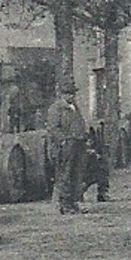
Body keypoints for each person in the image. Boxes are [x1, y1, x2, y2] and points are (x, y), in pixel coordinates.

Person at [45, 78, 88, 215]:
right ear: (61, 95)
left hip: (78, 143)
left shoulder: (74, 107)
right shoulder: (56, 109)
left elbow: (79, 123)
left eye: (72, 93)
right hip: (65, 146)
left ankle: (74, 203)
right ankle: (65, 204)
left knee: (77, 174)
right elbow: (53, 128)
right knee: (65, 175)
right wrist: (63, 141)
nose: (71, 96)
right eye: (68, 94)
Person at [79, 122, 110, 204]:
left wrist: (96, 153)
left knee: (102, 170)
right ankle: (79, 193)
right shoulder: (78, 132)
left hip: (93, 161)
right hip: (81, 160)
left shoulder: (94, 133)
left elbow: (98, 146)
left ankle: (103, 192)